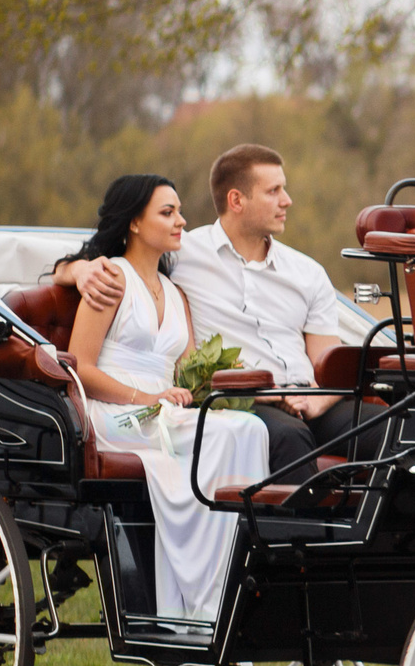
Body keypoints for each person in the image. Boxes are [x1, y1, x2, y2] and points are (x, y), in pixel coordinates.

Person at [61, 175, 270, 621]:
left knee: (249, 428)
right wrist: (148, 396)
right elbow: (79, 367)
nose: (181, 221)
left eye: (178, 211)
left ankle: (235, 570)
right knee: (219, 438)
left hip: (162, 412)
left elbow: (187, 370)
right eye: (167, 212)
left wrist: (222, 384)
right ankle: (201, 588)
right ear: (135, 222)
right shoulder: (111, 277)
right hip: (112, 414)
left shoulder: (176, 294)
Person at [157, 144, 382, 479]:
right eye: (274, 191)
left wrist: (317, 402)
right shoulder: (182, 254)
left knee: (396, 431)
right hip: (246, 402)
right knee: (289, 437)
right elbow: (116, 255)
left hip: (311, 401)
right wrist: (73, 271)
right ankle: (302, 532)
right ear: (236, 201)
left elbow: (328, 362)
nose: (286, 200)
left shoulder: (307, 272)